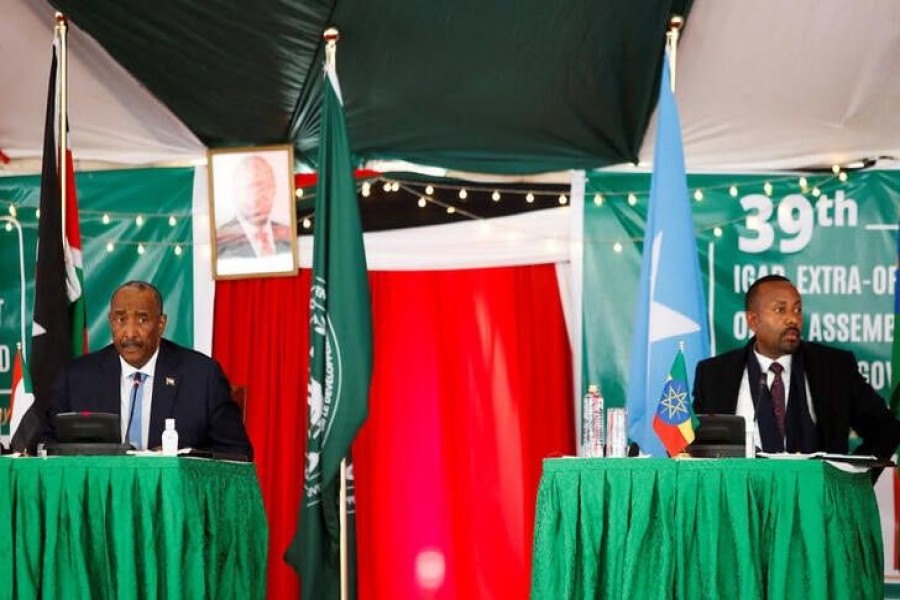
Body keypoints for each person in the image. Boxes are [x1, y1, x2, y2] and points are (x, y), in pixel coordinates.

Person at [693, 274, 900, 462]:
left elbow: (885, 428)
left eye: (798, 309)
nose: (793, 318)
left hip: (816, 499)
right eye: (779, 309)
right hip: (740, 498)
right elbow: (694, 443)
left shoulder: (834, 368)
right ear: (753, 320)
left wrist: (851, 479)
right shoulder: (714, 374)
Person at [45, 280, 253, 460]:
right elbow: (47, 446)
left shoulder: (202, 377)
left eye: (143, 319)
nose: (130, 333)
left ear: (161, 324)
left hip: (175, 501)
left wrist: (182, 459)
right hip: (100, 501)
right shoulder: (76, 378)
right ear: (111, 322)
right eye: (120, 319)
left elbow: (237, 454)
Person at [215, 154, 294, 259]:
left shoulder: (290, 237)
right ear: (235, 193)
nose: (257, 197)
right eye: (250, 187)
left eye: (265, 186)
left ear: (274, 189)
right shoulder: (219, 243)